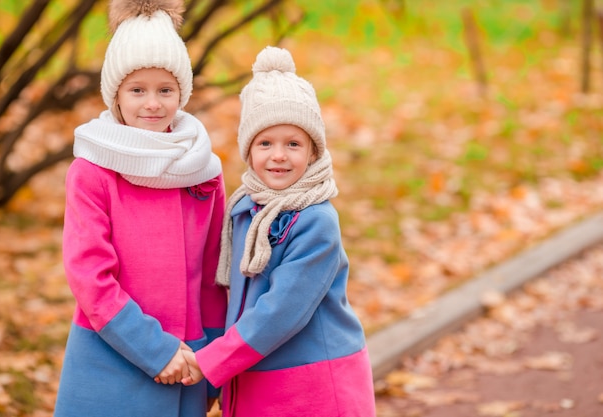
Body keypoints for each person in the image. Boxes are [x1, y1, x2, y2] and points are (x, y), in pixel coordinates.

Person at [179, 46, 376, 416]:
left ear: (313, 152)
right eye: (265, 143)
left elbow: (281, 311)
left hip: (311, 381)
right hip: (254, 369)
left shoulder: (316, 221)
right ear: (248, 150)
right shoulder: (244, 209)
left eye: (294, 144)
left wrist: (211, 362)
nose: (279, 155)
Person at [53, 0, 227, 416]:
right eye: (137, 90)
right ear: (116, 94)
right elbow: (89, 276)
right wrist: (155, 350)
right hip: (110, 355)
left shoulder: (201, 170)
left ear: (181, 93)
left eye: (165, 90)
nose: (152, 103)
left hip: (188, 361)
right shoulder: (93, 171)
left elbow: (214, 270)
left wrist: (212, 357)